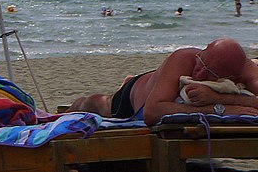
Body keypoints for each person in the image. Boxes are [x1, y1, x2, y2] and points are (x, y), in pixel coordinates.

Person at [69, 38, 258, 125]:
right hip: (137, 99)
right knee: (94, 104)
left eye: (208, 73)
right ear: (203, 50)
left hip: (157, 82)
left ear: (234, 78)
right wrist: (217, 108)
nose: (198, 73)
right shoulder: (185, 58)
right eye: (200, 62)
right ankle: (70, 108)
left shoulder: (247, 71)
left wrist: (223, 99)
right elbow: (152, 113)